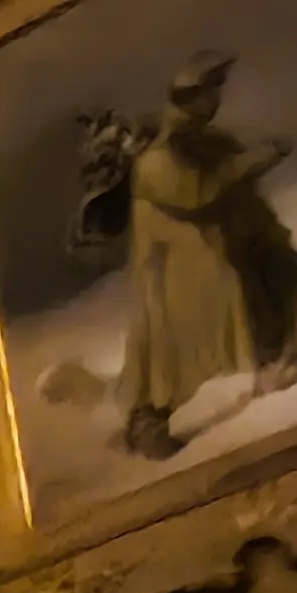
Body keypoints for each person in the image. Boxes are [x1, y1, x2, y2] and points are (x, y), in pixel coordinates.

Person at [83, 53, 297, 457]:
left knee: (280, 279)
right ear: (191, 97)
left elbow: (228, 187)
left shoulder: (206, 141)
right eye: (209, 90)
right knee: (170, 364)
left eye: (217, 89)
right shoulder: (157, 160)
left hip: (226, 255)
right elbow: (196, 194)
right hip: (178, 278)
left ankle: (278, 360)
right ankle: (147, 426)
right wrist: (254, 160)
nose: (215, 100)